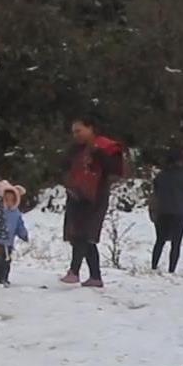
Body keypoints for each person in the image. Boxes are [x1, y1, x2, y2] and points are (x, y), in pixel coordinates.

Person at [61, 116, 127, 288]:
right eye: (74, 132)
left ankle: (74, 271)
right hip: (76, 194)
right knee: (79, 235)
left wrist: (99, 153)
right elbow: (65, 166)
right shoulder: (75, 149)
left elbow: (116, 169)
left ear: (90, 128)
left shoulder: (106, 146)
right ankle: (95, 277)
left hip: (96, 196)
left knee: (85, 233)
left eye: (79, 131)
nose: (76, 135)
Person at [150, 149, 183, 273]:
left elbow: (156, 191)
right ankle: (172, 269)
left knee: (160, 240)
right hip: (180, 212)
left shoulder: (161, 176)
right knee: (176, 243)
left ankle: (154, 266)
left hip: (162, 211)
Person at [0, 181, 29, 285]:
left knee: (6, 262)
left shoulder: (16, 214)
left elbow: (19, 225)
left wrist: (23, 234)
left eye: (12, 200)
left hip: (8, 243)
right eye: (6, 199)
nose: (9, 202)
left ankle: (3, 278)